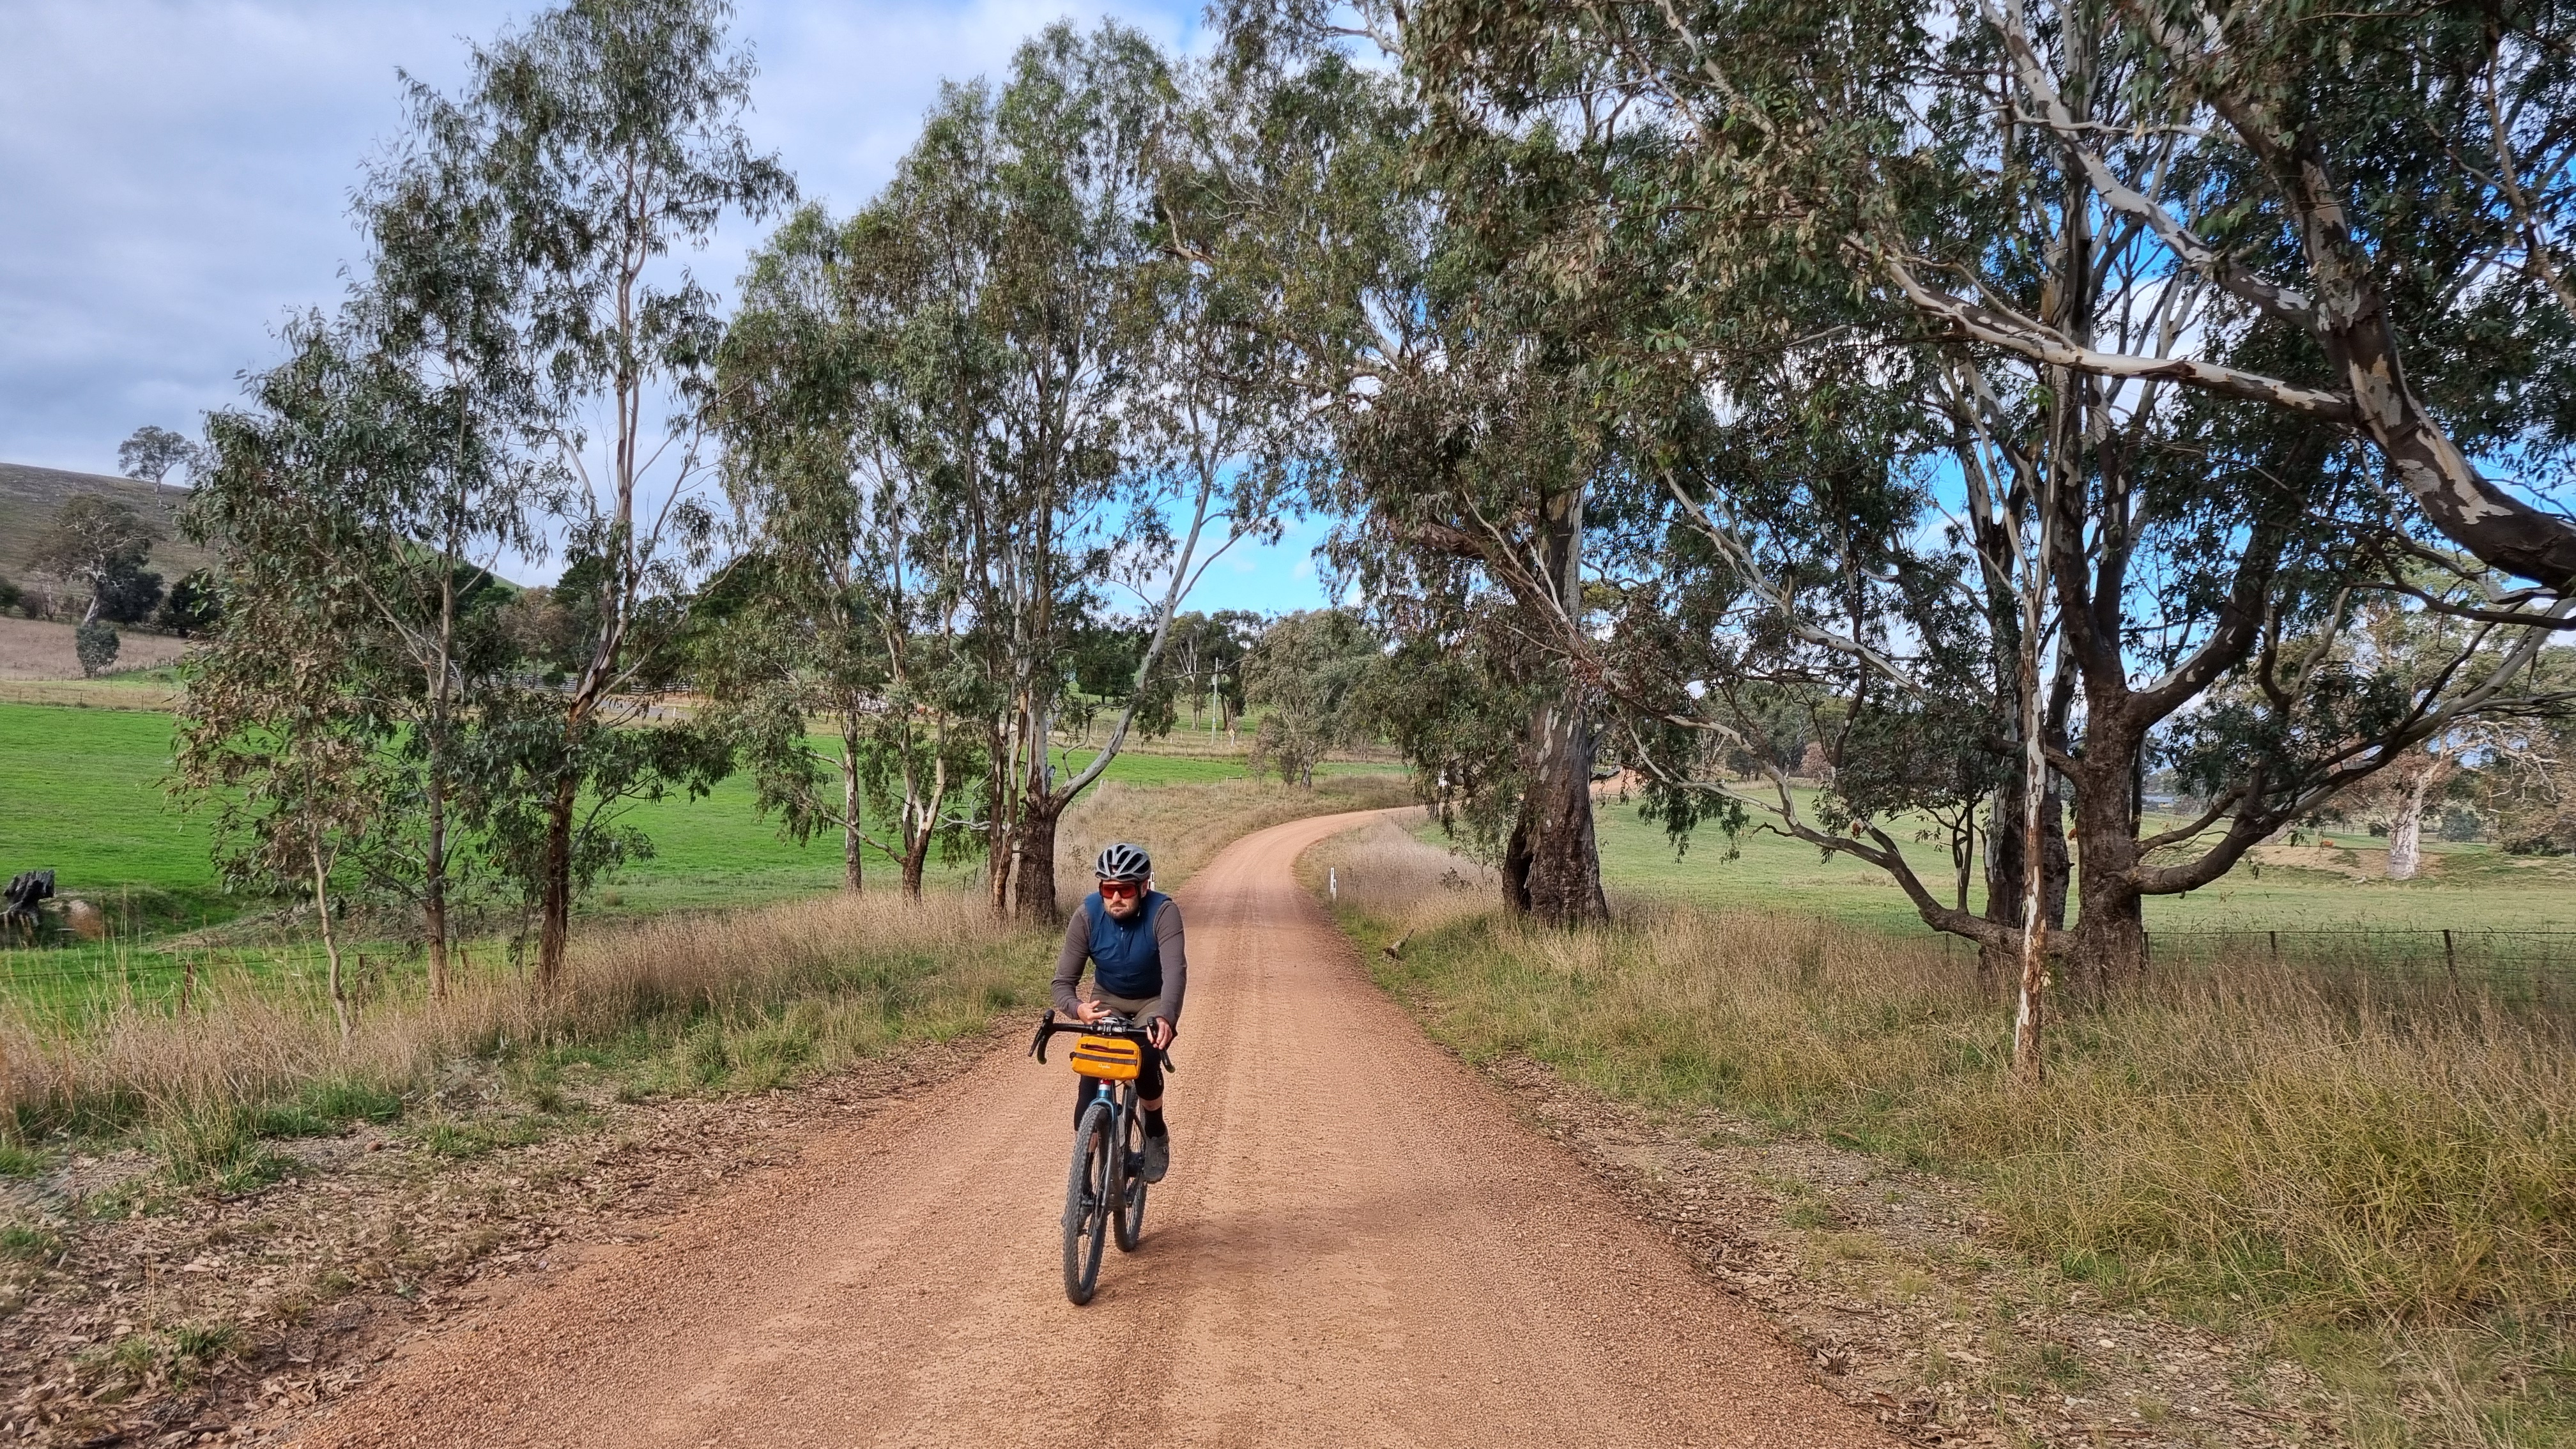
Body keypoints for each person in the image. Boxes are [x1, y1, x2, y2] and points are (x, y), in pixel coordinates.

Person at [1052, 841, 1184, 1183]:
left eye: (1124, 889)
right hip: (1107, 997)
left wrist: (1166, 1018)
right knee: (1091, 1074)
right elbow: (1062, 983)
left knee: (1145, 1051)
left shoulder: (1163, 912)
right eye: (1108, 889)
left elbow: (1175, 973)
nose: (1115, 898)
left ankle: (1155, 1130)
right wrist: (1078, 1009)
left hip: (1151, 999)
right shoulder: (1087, 914)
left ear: (1143, 887)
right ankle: (1082, 1180)